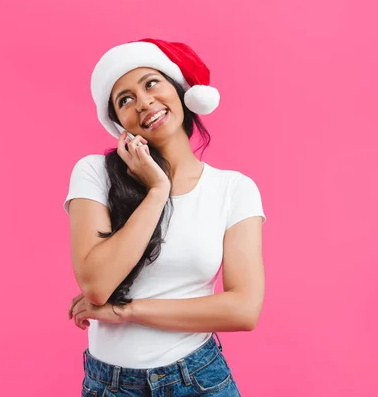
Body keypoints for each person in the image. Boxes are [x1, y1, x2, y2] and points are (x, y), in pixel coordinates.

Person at [63, 38, 266, 396]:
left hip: (198, 378)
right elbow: (96, 285)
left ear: (181, 91)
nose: (143, 102)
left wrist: (128, 311)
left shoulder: (234, 189)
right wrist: (157, 191)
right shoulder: (94, 173)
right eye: (124, 100)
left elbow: (243, 309)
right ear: (119, 122)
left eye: (151, 83)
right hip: (111, 385)